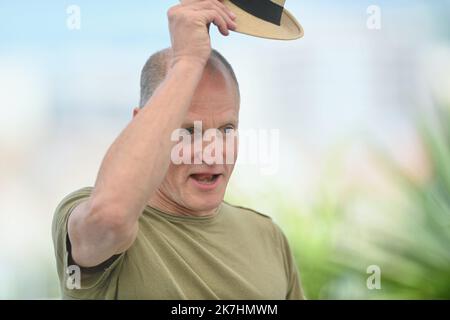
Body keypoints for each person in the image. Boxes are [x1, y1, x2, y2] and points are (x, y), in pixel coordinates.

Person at [52, 0, 304, 299]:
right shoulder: (91, 213)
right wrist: (187, 61)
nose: (213, 152)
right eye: (188, 131)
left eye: (226, 130)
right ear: (141, 124)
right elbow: (111, 218)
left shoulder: (267, 236)